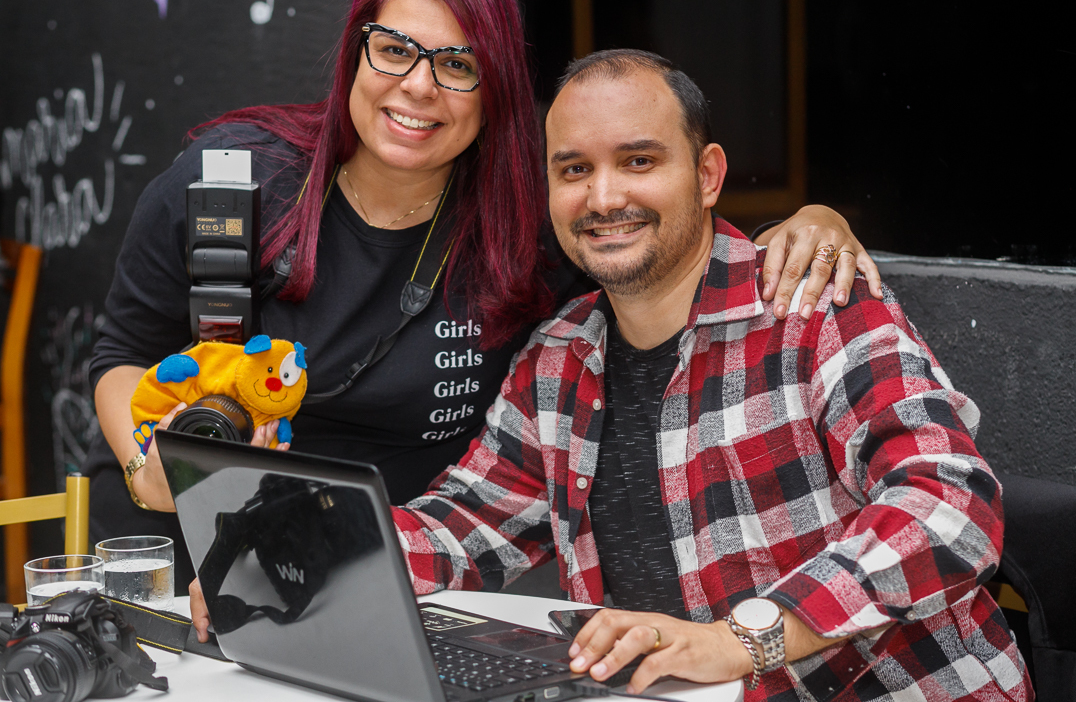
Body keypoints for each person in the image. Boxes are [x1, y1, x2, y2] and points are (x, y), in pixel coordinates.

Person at [192, 48, 1032, 701]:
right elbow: (464, 522)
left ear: (706, 177)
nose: (603, 197)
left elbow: (950, 504)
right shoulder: (559, 357)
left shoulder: (812, 307)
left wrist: (743, 638)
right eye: (573, 169)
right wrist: (298, 552)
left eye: (638, 161)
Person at [88, 0, 879, 591]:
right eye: (394, 50)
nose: (418, 87)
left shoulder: (529, 221)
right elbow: (120, 353)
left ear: (494, 87)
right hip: (182, 548)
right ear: (355, 55)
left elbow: (660, 241)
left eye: (456, 65)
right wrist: (145, 466)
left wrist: (818, 219)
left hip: (391, 570)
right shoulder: (232, 183)